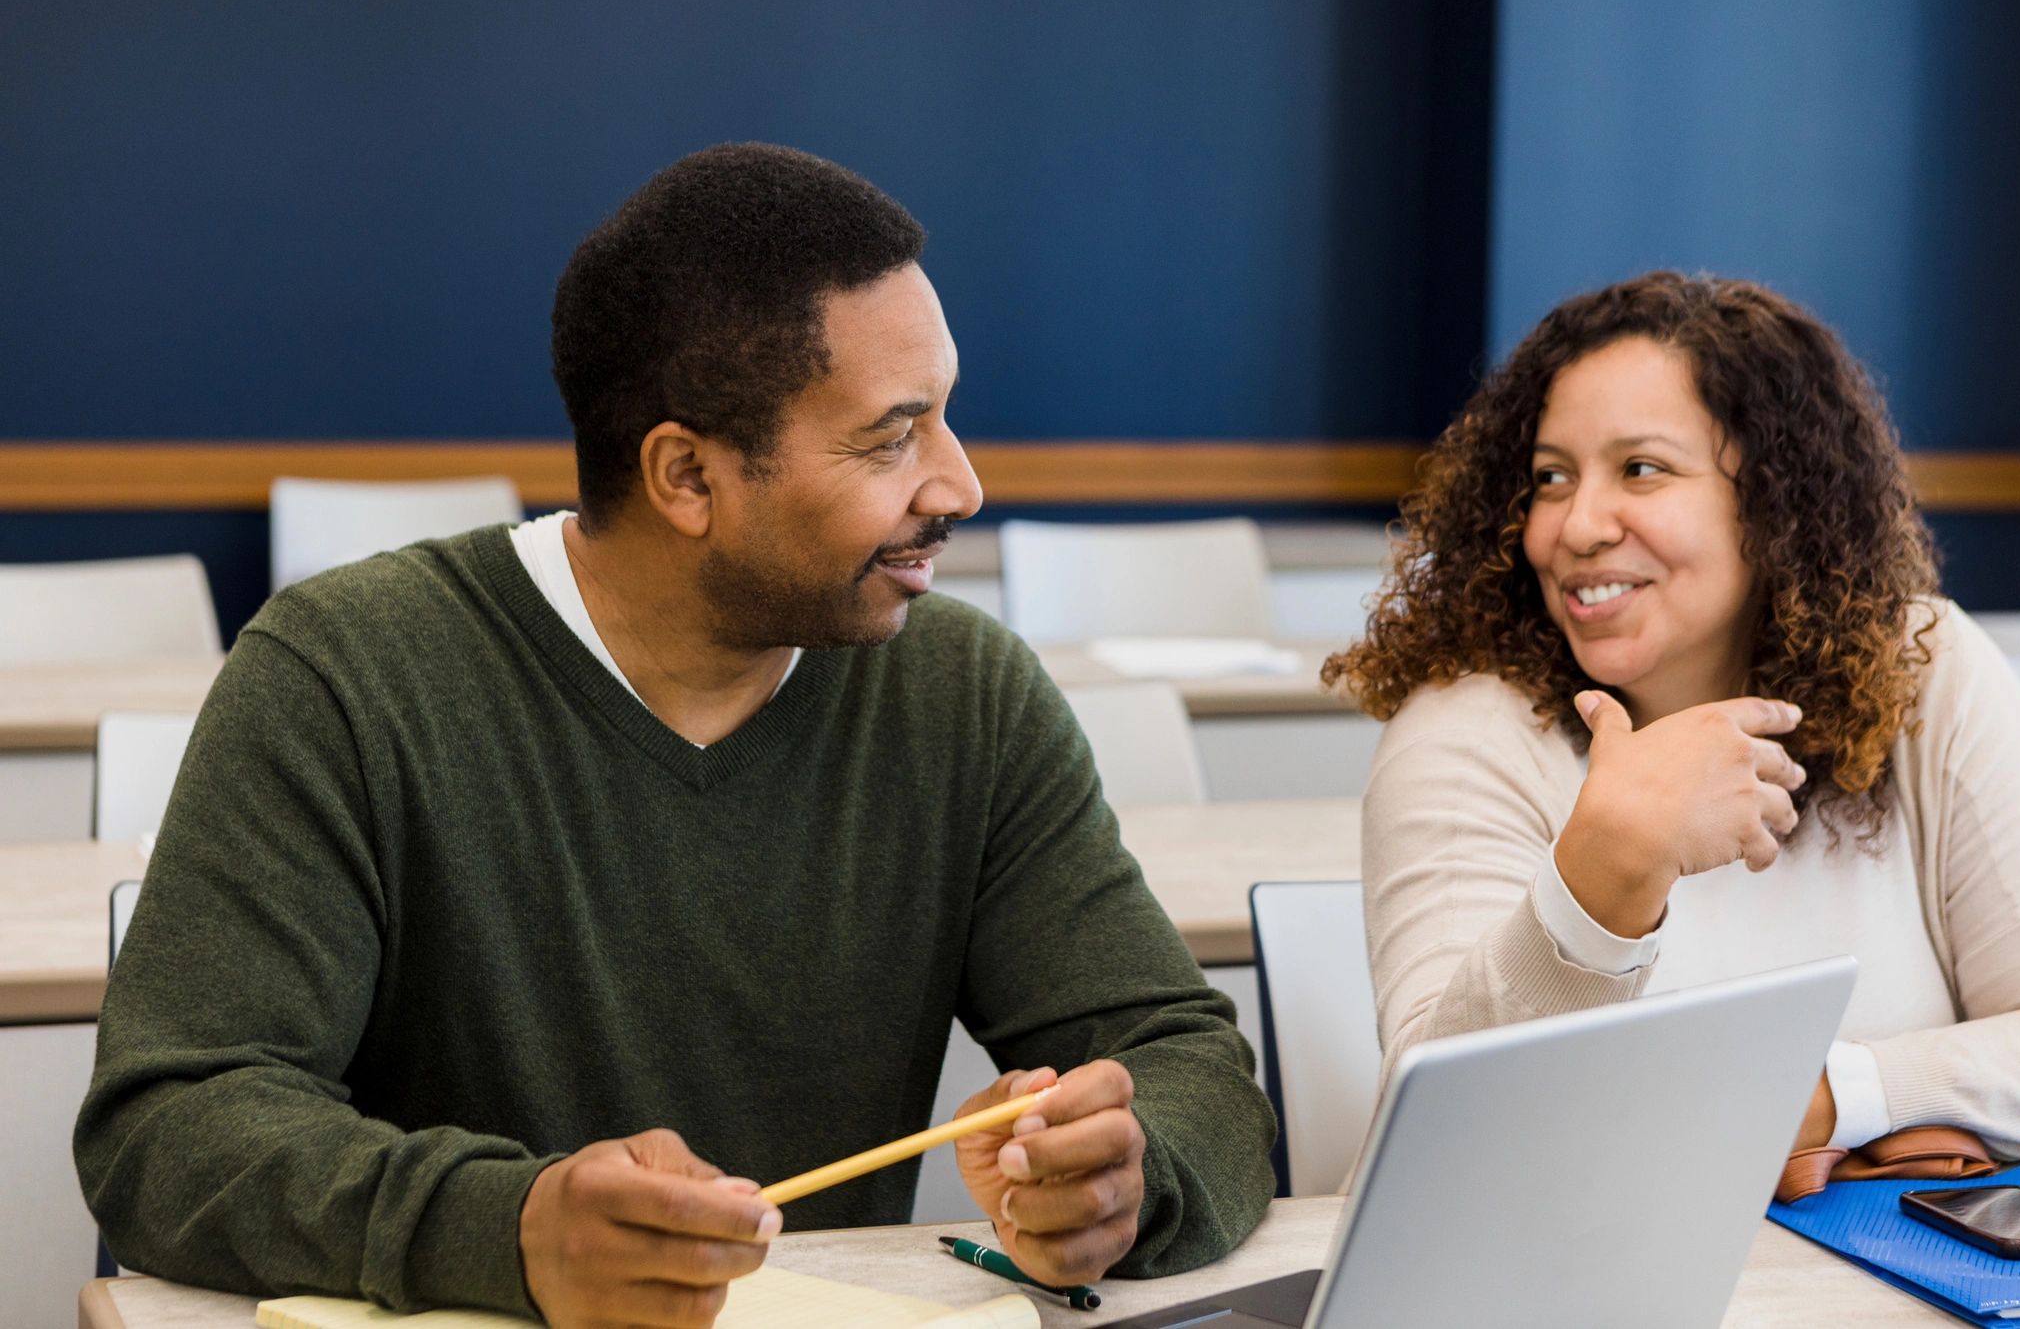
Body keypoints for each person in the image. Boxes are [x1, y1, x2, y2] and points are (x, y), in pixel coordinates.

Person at [76, 144, 1275, 1326]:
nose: (959, 484)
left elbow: (1185, 1061)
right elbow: (170, 1126)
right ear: (687, 476)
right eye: (891, 435)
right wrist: (511, 1230)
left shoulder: (966, 698)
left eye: (946, 416)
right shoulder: (345, 675)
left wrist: (1128, 1176)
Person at [1326, 271, 2020, 1161]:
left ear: (1777, 501)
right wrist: (1605, 875)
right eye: (1549, 478)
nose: (1576, 525)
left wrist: (1833, 1099)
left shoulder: (1922, 670)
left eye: (1641, 469)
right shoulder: (1463, 730)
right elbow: (1440, 1144)